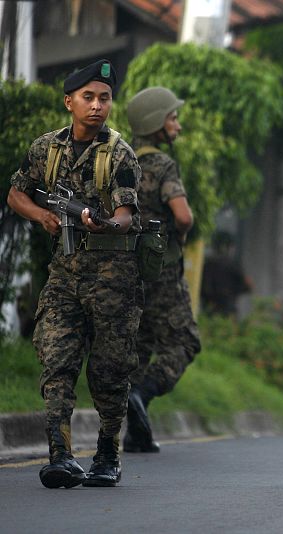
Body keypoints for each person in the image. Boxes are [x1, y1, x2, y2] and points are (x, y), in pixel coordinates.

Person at [7, 59, 143, 488]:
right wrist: (43, 217)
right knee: (56, 361)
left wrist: (102, 224)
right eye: (88, 98)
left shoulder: (119, 153)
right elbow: (16, 194)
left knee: (108, 370)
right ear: (70, 102)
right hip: (64, 275)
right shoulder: (46, 148)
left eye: (104, 98)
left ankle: (107, 453)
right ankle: (60, 454)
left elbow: (126, 216)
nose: (97, 106)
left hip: (113, 279)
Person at [123, 87, 201, 453]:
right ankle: (143, 392)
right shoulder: (163, 166)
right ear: (156, 124)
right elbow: (183, 215)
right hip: (164, 269)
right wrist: (179, 232)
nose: (178, 125)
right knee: (184, 342)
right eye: (172, 118)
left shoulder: (121, 162)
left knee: (139, 345)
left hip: (126, 269)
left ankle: (136, 432)